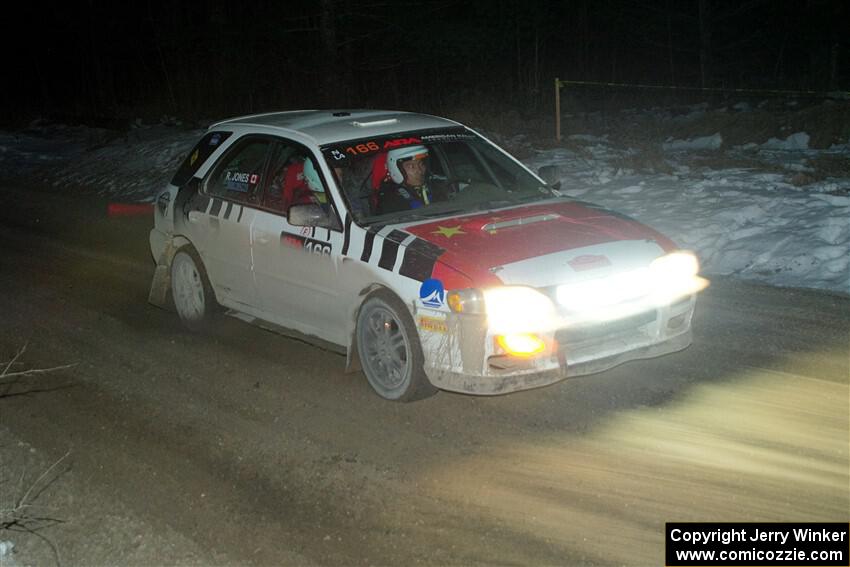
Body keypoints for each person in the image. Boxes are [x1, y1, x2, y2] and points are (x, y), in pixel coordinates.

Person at [376, 145, 436, 214]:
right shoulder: (390, 201)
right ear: (396, 169)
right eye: (411, 166)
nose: (419, 171)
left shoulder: (438, 186)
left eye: (421, 164)